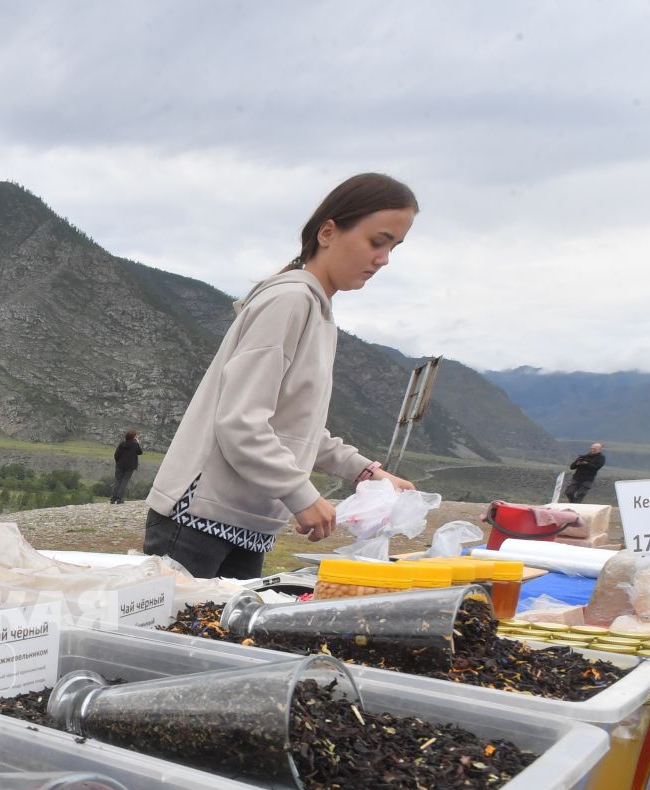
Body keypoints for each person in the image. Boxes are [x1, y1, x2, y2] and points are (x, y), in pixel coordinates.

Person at [144, 174, 419, 579]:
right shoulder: (289, 300)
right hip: (200, 515)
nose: (383, 259)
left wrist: (365, 472)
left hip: (247, 523)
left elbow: (294, 428)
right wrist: (301, 493)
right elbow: (240, 421)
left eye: (393, 247)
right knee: (176, 641)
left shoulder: (319, 313)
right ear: (328, 232)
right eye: (377, 242)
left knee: (221, 640)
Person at [111, 430, 143, 503]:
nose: (137, 437)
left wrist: (118, 462)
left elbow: (116, 455)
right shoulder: (135, 445)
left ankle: (112, 499)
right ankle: (119, 499)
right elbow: (140, 452)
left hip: (120, 465)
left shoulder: (122, 444)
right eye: (136, 436)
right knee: (124, 482)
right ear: (133, 437)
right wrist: (137, 443)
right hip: (130, 467)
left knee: (117, 481)